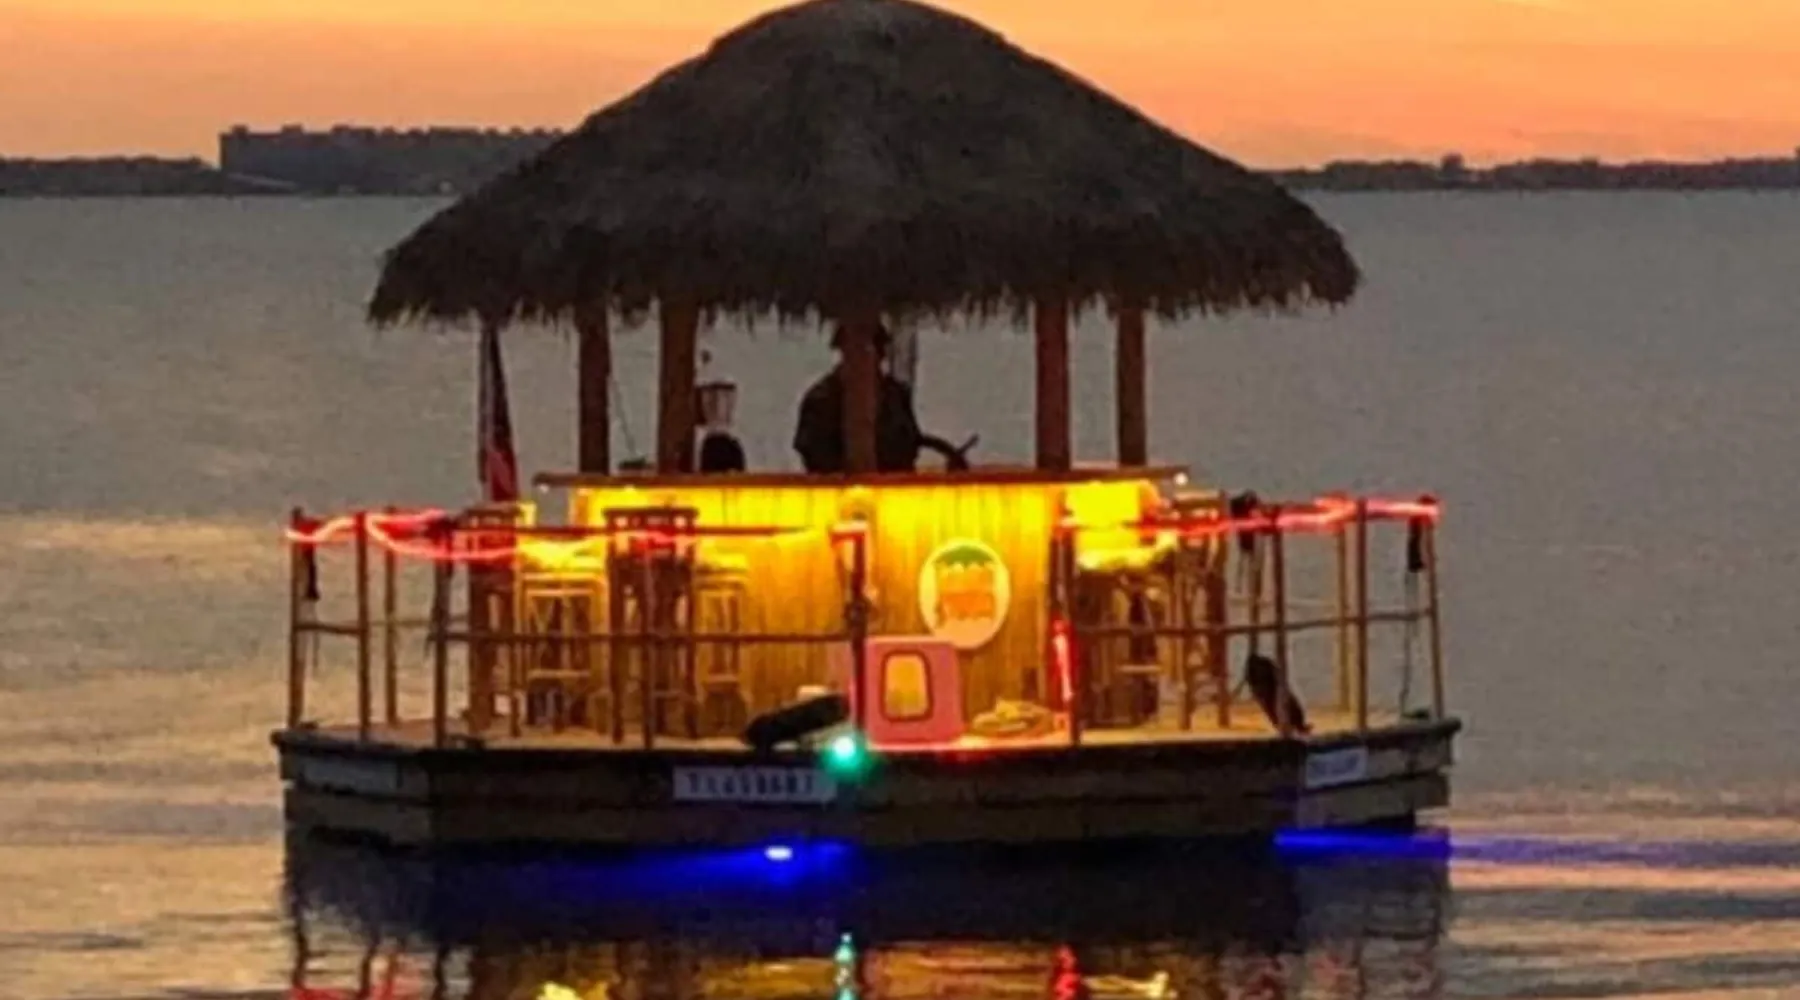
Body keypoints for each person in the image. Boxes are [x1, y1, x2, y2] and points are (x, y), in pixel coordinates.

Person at [793, 324, 923, 473]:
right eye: (856, 350)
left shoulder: (896, 396)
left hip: (891, 484)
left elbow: (910, 446)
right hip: (833, 485)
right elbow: (811, 452)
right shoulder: (819, 399)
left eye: (874, 349)